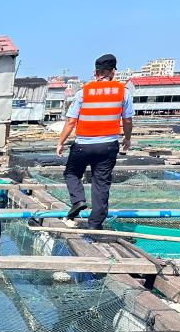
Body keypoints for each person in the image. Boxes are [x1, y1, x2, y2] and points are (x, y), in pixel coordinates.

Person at [56, 53, 134, 229]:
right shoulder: (123, 93)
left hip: (83, 144)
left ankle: (78, 200)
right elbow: (127, 120)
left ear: (95, 72)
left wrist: (61, 142)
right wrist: (127, 138)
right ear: (113, 72)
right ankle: (95, 225)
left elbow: (70, 122)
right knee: (101, 183)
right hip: (107, 146)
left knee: (71, 173)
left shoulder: (84, 92)